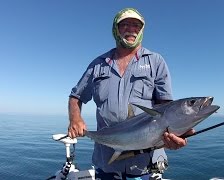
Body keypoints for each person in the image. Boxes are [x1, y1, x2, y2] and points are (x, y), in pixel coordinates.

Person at [67, 8, 194, 180]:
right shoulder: (98, 65)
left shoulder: (155, 61)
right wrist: (75, 119)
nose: (131, 29)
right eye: (125, 24)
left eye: (136, 25)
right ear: (116, 29)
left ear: (141, 31)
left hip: (145, 165)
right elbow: (76, 96)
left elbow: (167, 110)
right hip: (106, 162)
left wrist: (177, 134)